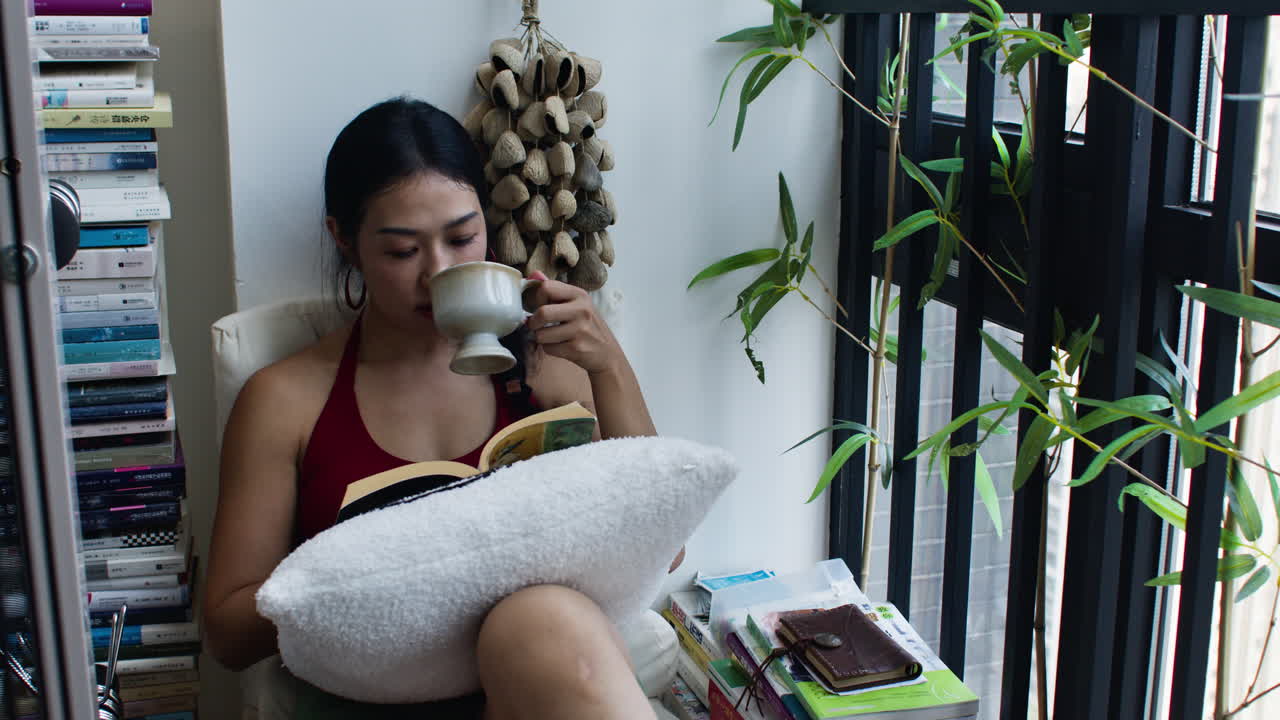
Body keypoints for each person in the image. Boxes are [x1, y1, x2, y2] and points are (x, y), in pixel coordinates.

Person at [203, 97, 675, 719]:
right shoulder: (288, 398)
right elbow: (230, 635)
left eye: (462, 237)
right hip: (374, 693)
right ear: (342, 238)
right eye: (403, 251)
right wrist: (368, 576)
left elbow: (662, 552)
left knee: (542, 620)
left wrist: (610, 366)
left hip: (540, 674)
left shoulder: (546, 368)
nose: (438, 272)